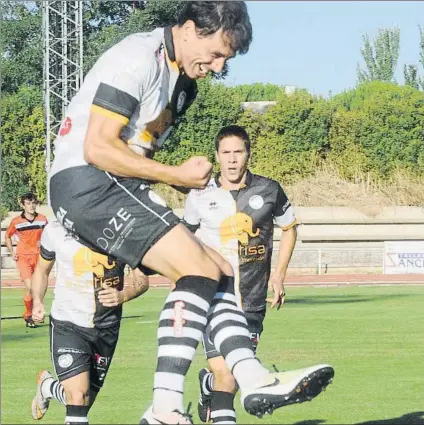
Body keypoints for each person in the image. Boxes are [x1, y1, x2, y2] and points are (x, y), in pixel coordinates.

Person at [47, 2, 333, 423]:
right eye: (215, 54)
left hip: (112, 186)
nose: (217, 67)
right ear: (188, 28)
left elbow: (133, 153)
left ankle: (250, 376)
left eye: (226, 61)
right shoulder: (136, 57)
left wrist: (177, 180)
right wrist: (170, 172)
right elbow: (98, 147)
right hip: (84, 181)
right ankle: (166, 405)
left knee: (219, 268)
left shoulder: (184, 87)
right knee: (198, 270)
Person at [183, 125, 303, 424]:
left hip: (252, 298)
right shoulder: (199, 194)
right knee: (226, 372)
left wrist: (278, 276)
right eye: (226, 153)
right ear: (217, 156)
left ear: (248, 154)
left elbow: (290, 229)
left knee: (232, 375)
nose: (232, 159)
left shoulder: (269, 190)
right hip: (214, 296)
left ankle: (206, 385)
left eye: (238, 152)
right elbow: (185, 240)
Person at [30, 220, 149, 425]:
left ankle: (48, 387)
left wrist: (123, 295)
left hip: (106, 327)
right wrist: (38, 301)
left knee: (83, 401)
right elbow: (42, 270)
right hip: (68, 323)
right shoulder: (56, 229)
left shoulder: (123, 228)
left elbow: (141, 278)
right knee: (77, 397)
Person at [5, 192, 48, 328]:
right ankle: (34, 312)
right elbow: (7, 236)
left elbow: (49, 235)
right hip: (23, 257)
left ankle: (29, 314)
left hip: (39, 257)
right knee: (30, 286)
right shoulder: (16, 222)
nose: (31, 206)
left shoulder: (42, 219)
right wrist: (12, 252)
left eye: (33, 203)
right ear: (23, 205)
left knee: (37, 288)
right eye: (28, 203)